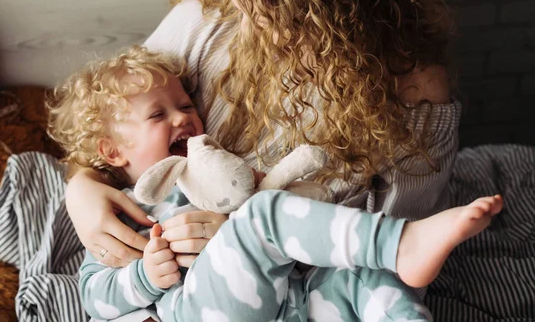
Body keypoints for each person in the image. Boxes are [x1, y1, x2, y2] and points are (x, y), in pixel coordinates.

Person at [48, 47, 502, 322]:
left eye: (185, 104)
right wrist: (145, 277)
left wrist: (265, 193)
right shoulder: (123, 213)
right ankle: (401, 242)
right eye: (158, 115)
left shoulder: (213, 171)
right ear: (113, 152)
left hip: (288, 303)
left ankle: (397, 275)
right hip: (198, 311)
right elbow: (92, 293)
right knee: (261, 219)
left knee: (364, 276)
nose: (183, 117)